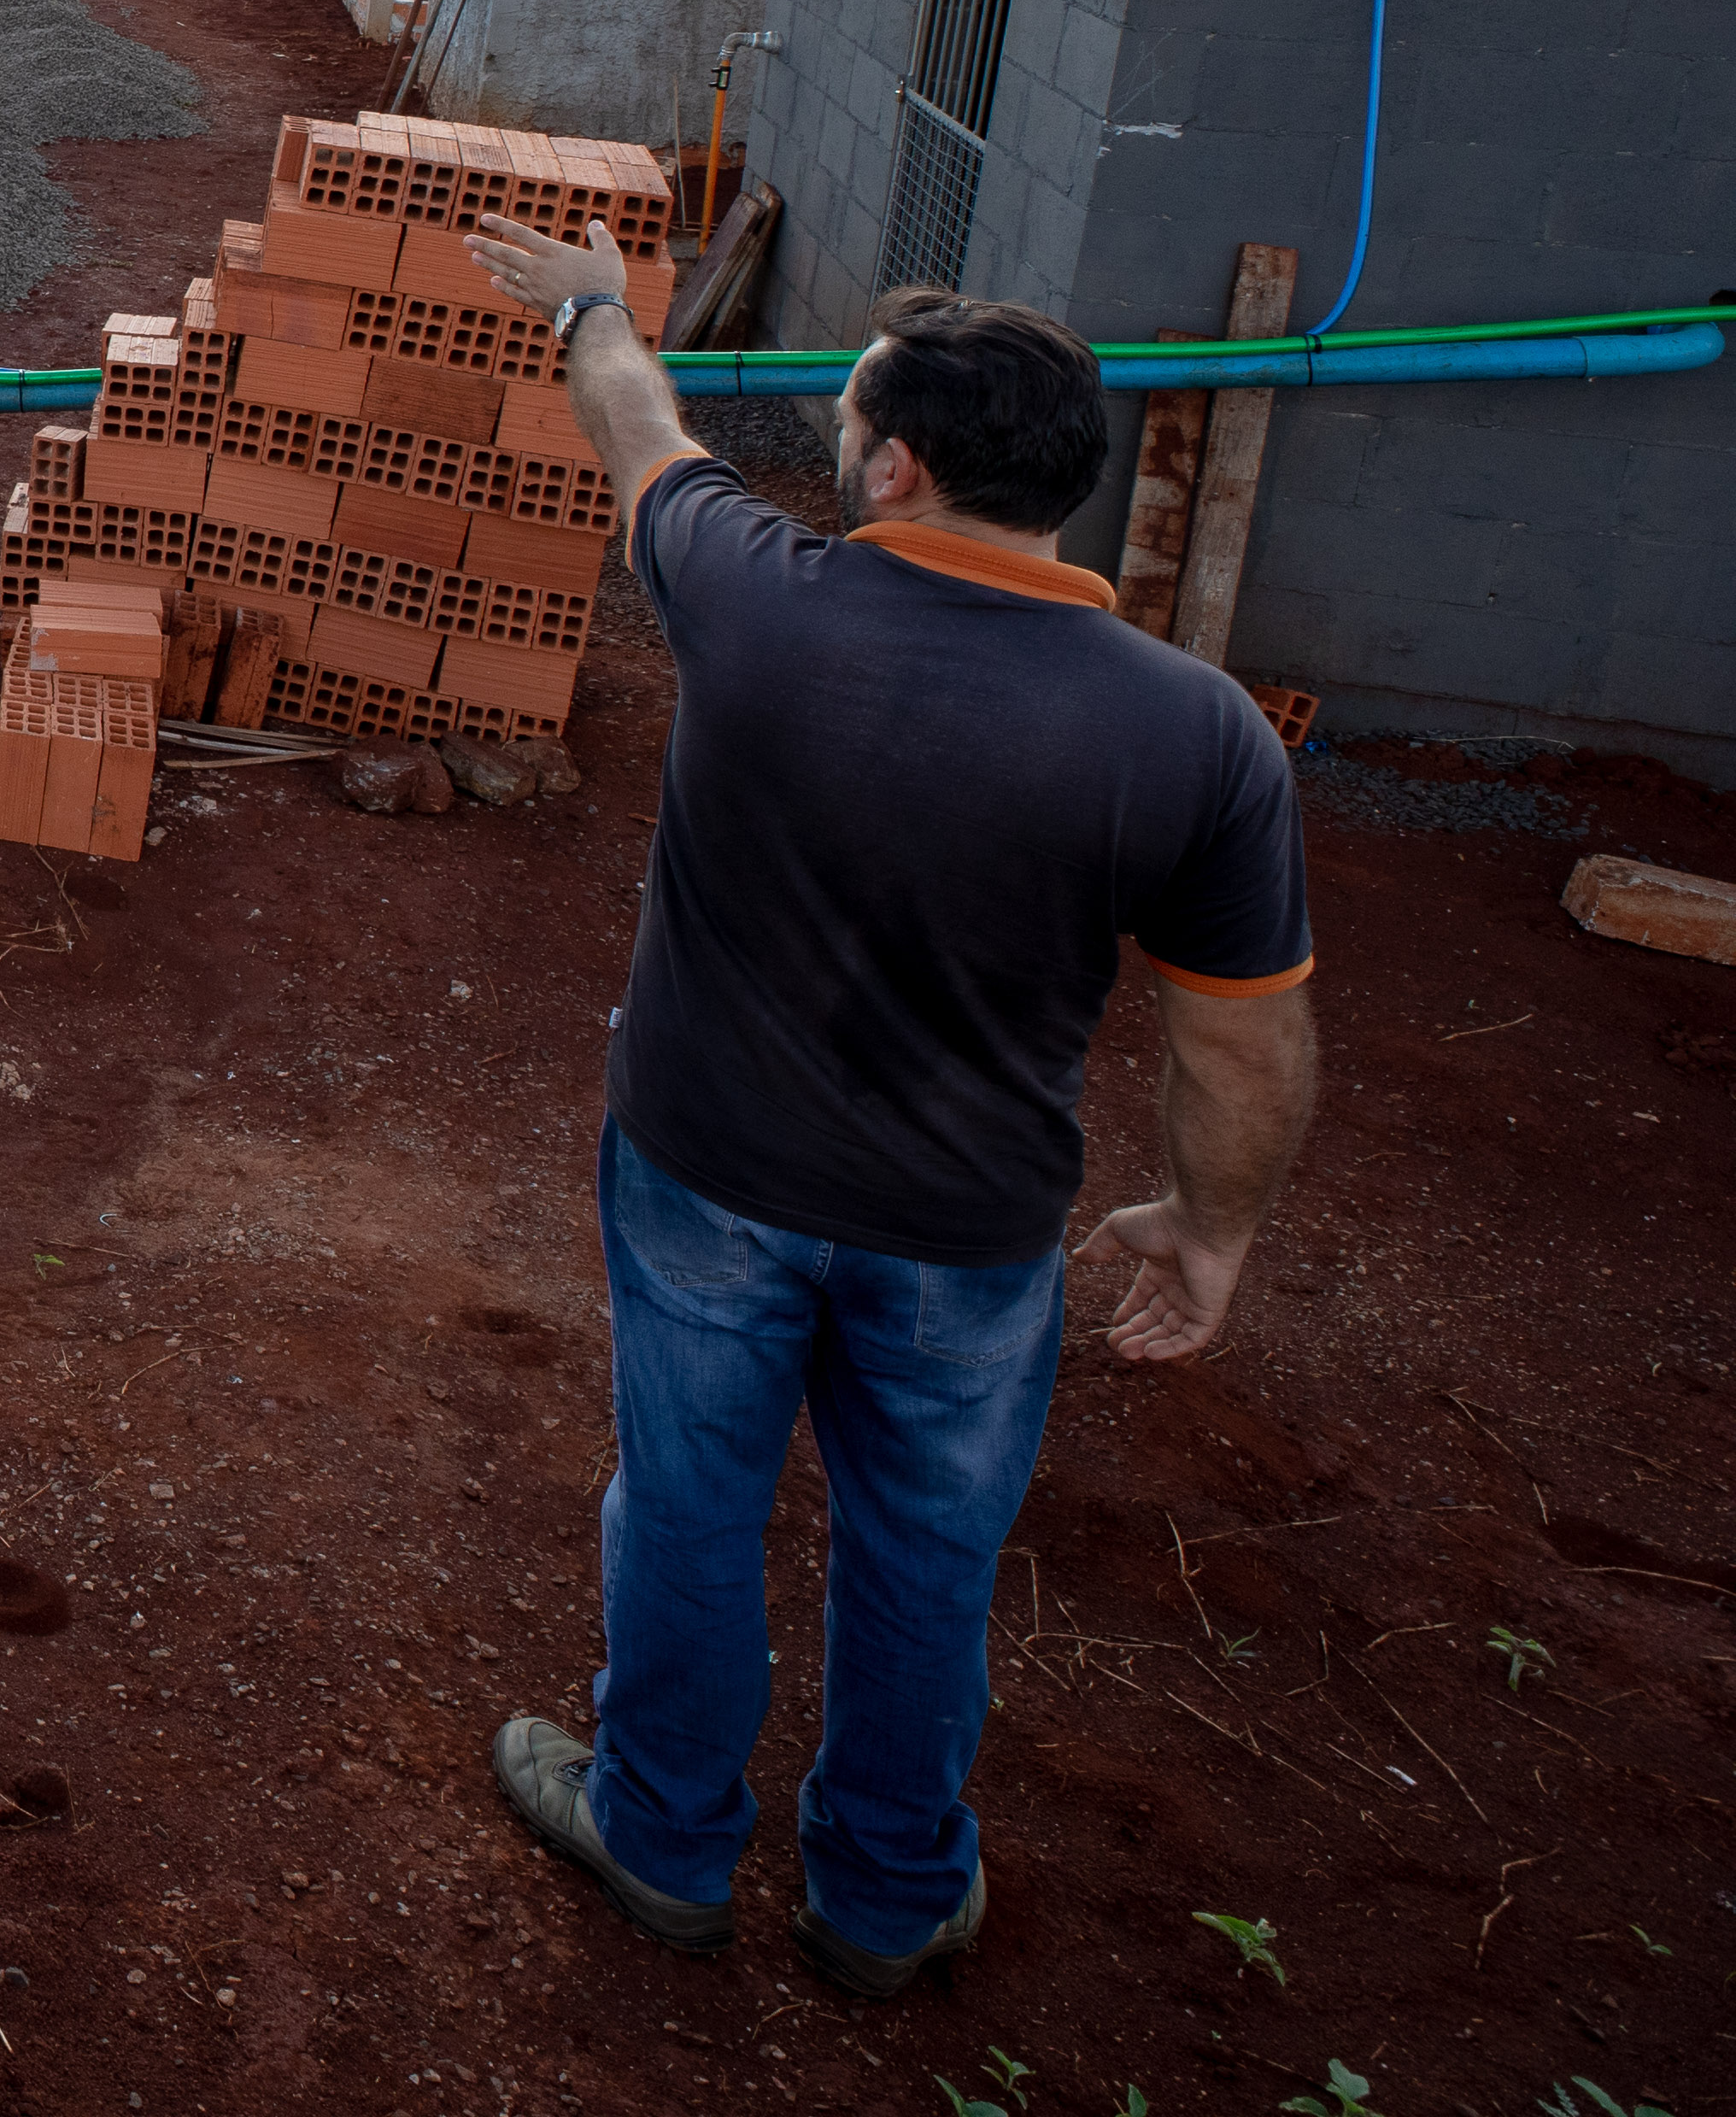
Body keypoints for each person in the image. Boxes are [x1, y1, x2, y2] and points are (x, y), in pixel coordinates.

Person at [457, 218, 1318, 2001]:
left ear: (896, 460)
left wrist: (599, 304)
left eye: (853, 420)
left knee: (690, 1508)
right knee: (927, 1550)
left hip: (709, 1173)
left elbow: (636, 425)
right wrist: (1210, 1221)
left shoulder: (758, 594)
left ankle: (667, 1837)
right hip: (966, 1231)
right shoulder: (1200, 733)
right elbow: (1241, 1041)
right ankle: (885, 1891)